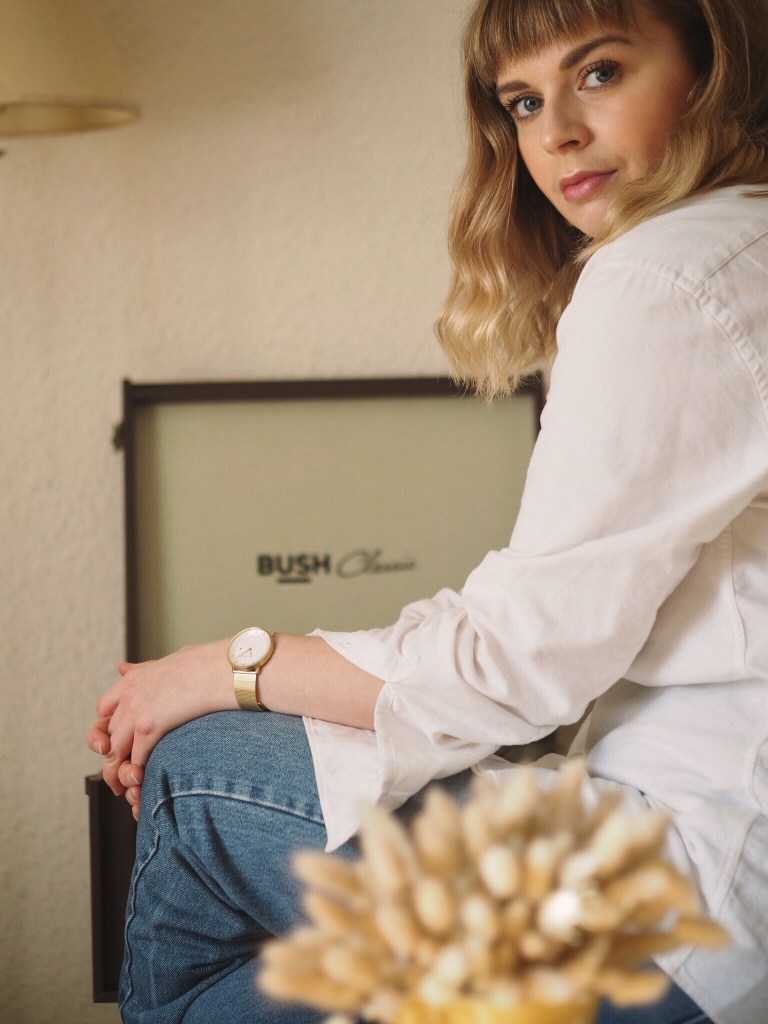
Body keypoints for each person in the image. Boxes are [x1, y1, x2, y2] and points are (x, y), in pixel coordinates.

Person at [88, 0, 768, 1021]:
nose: (556, 134)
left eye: (600, 73)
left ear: (713, 65)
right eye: (525, 100)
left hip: (681, 893)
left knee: (193, 770)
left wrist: (230, 664)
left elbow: (520, 660)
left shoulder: (664, 276)